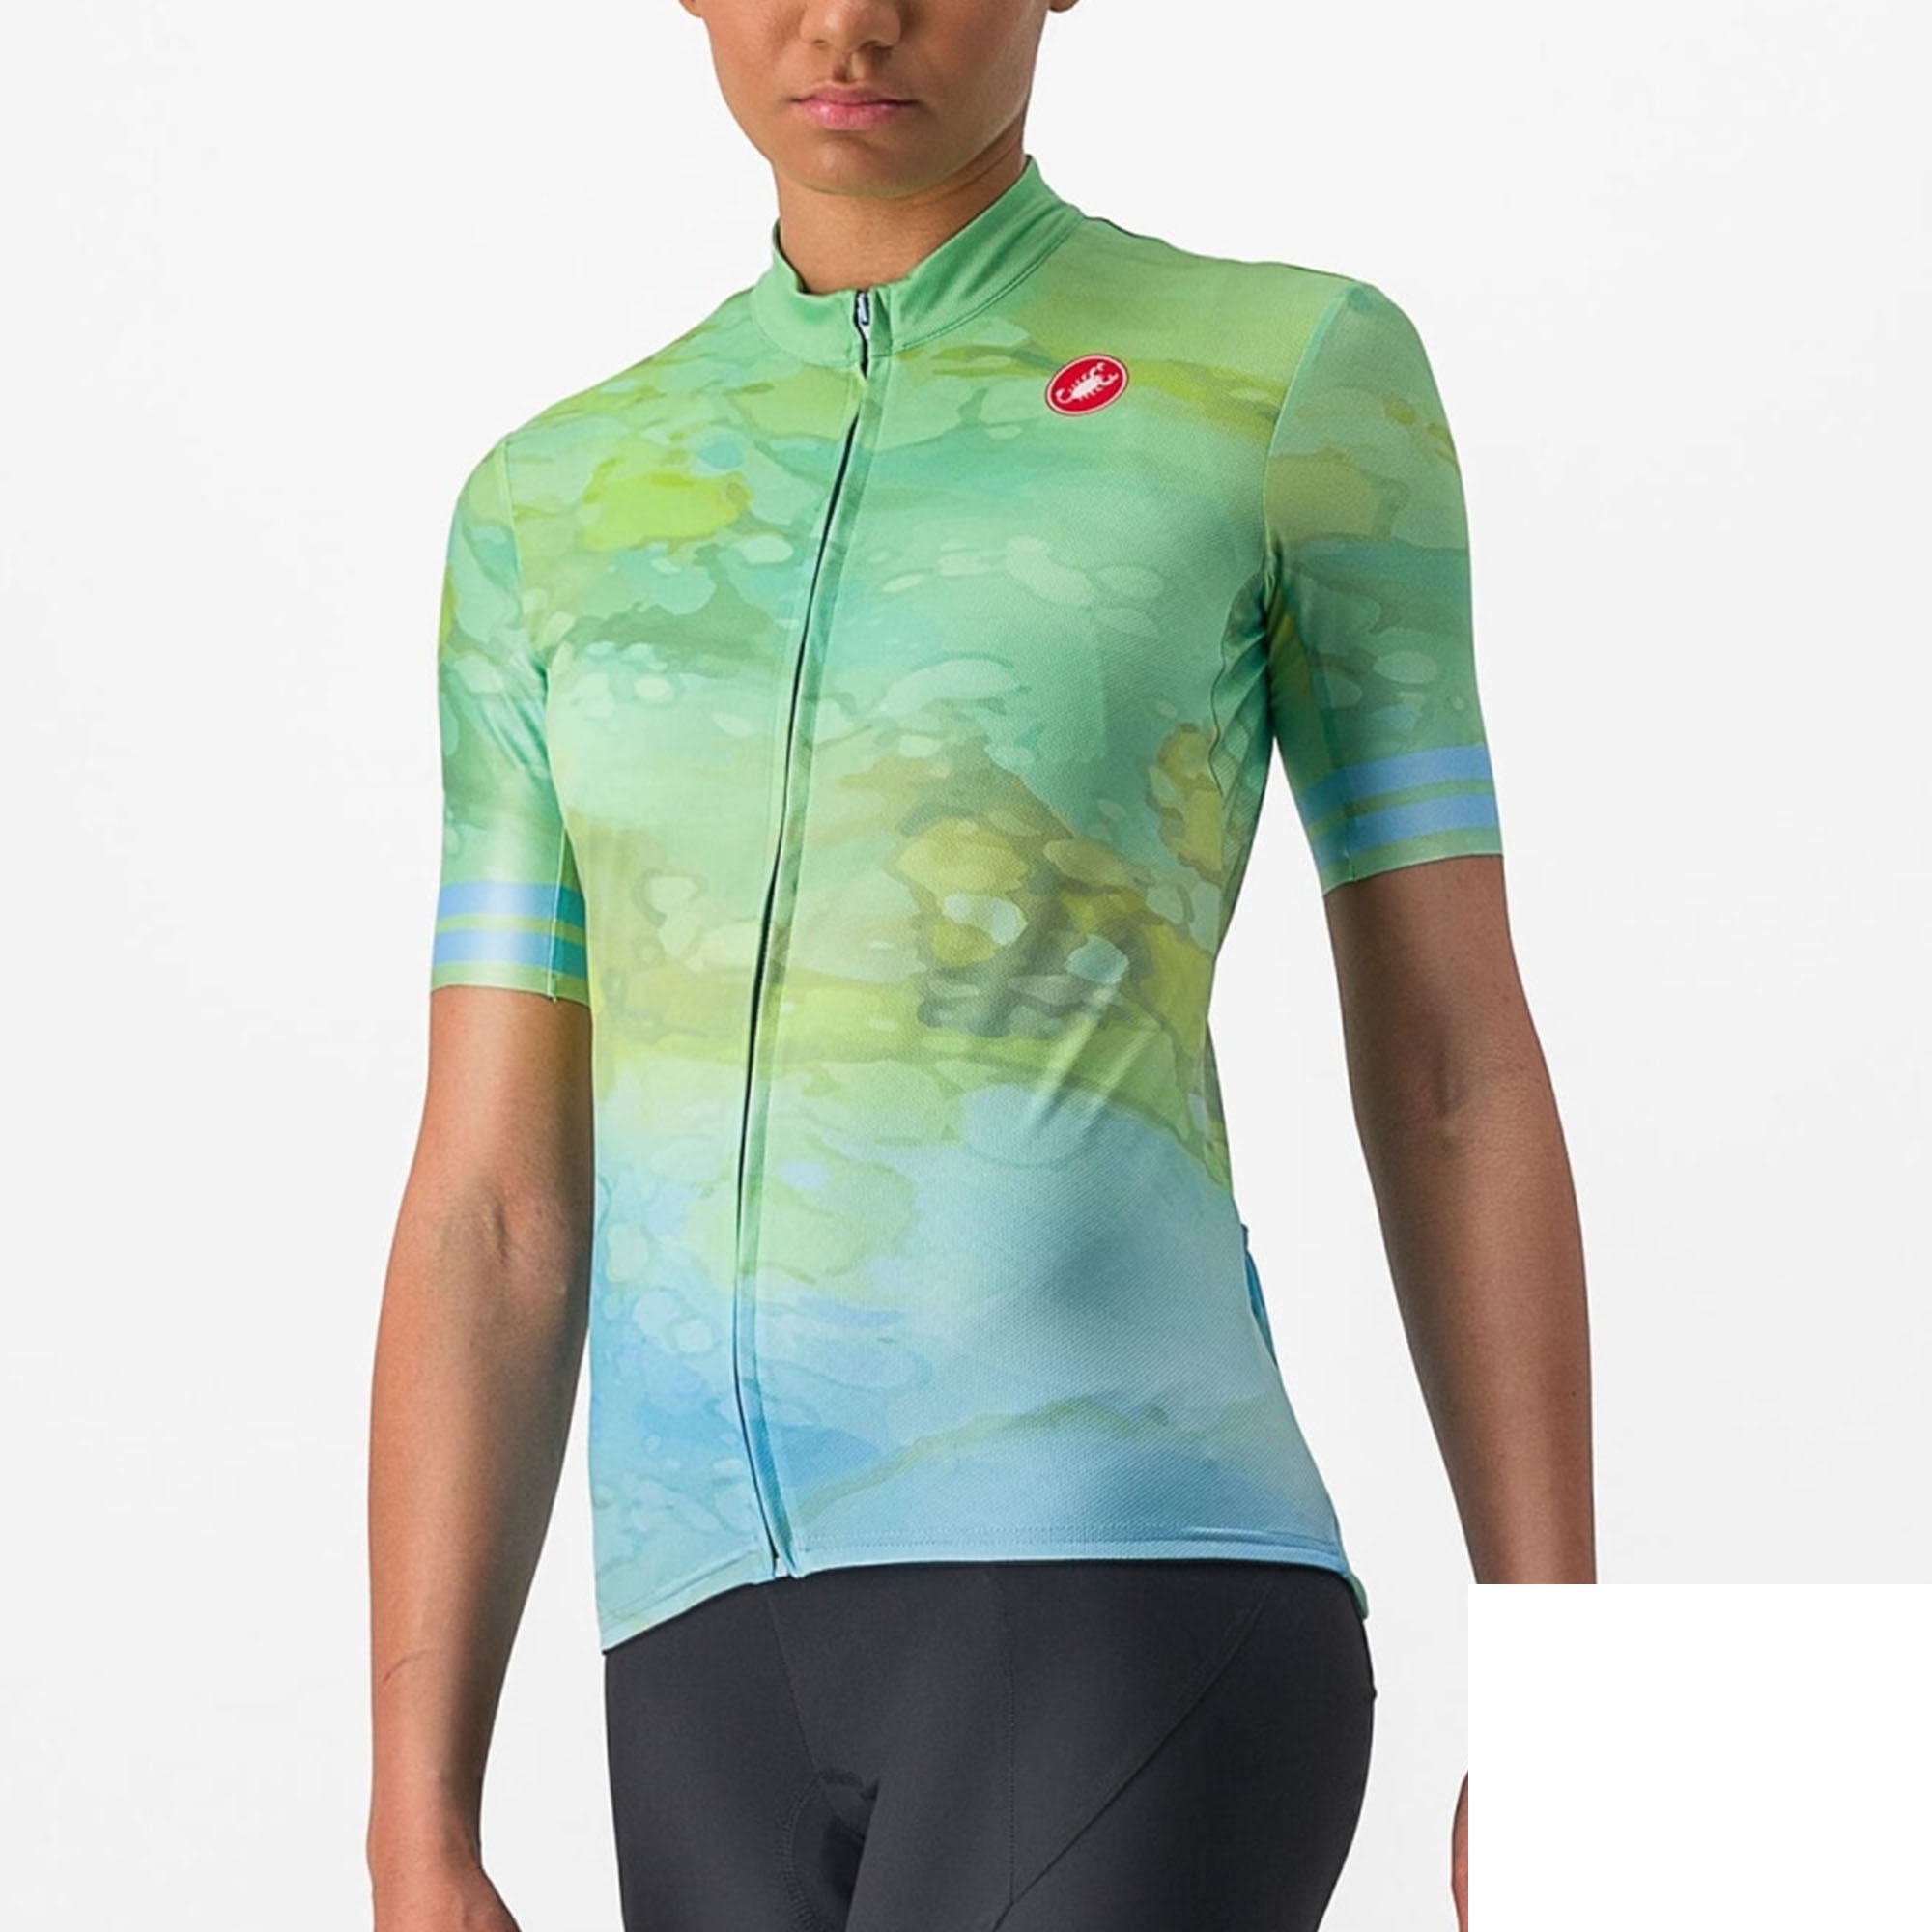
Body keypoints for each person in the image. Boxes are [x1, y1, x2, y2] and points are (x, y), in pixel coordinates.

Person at [366, 2, 1594, 1928]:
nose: (849, 20)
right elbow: (492, 1206)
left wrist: (1578, 1710)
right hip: (690, 1652)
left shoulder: (1280, 378)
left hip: (1123, 1577)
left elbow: (1453, 1066)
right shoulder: (550, 506)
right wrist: (414, 1818)